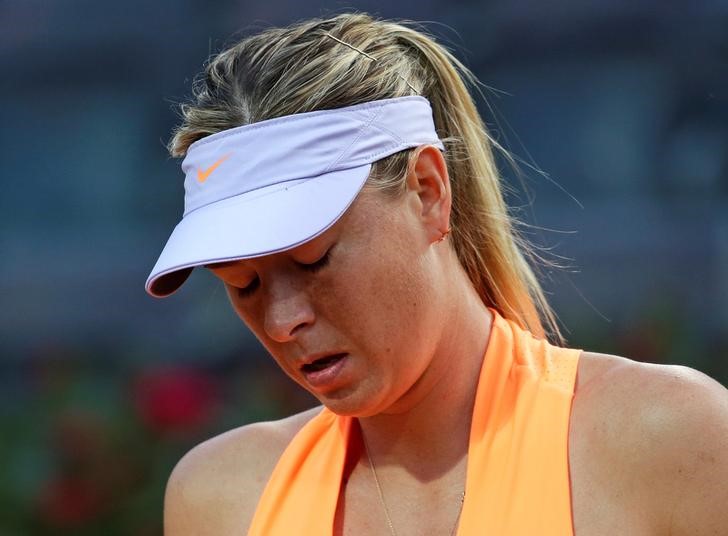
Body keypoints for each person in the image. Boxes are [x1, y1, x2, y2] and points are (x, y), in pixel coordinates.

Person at [147, 13, 728, 536]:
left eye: (312, 260)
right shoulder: (221, 498)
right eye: (241, 284)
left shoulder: (670, 441)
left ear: (428, 191)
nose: (280, 320)